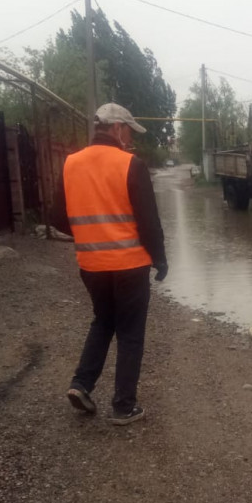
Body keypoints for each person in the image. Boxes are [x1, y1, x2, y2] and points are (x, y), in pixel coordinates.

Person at [53, 103, 167, 425]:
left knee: (103, 322)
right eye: (128, 131)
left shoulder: (71, 164)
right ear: (116, 128)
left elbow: (57, 216)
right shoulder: (131, 164)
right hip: (130, 265)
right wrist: (160, 258)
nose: (129, 138)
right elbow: (148, 221)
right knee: (130, 332)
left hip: (91, 264)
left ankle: (81, 385)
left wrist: (90, 235)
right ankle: (123, 406)